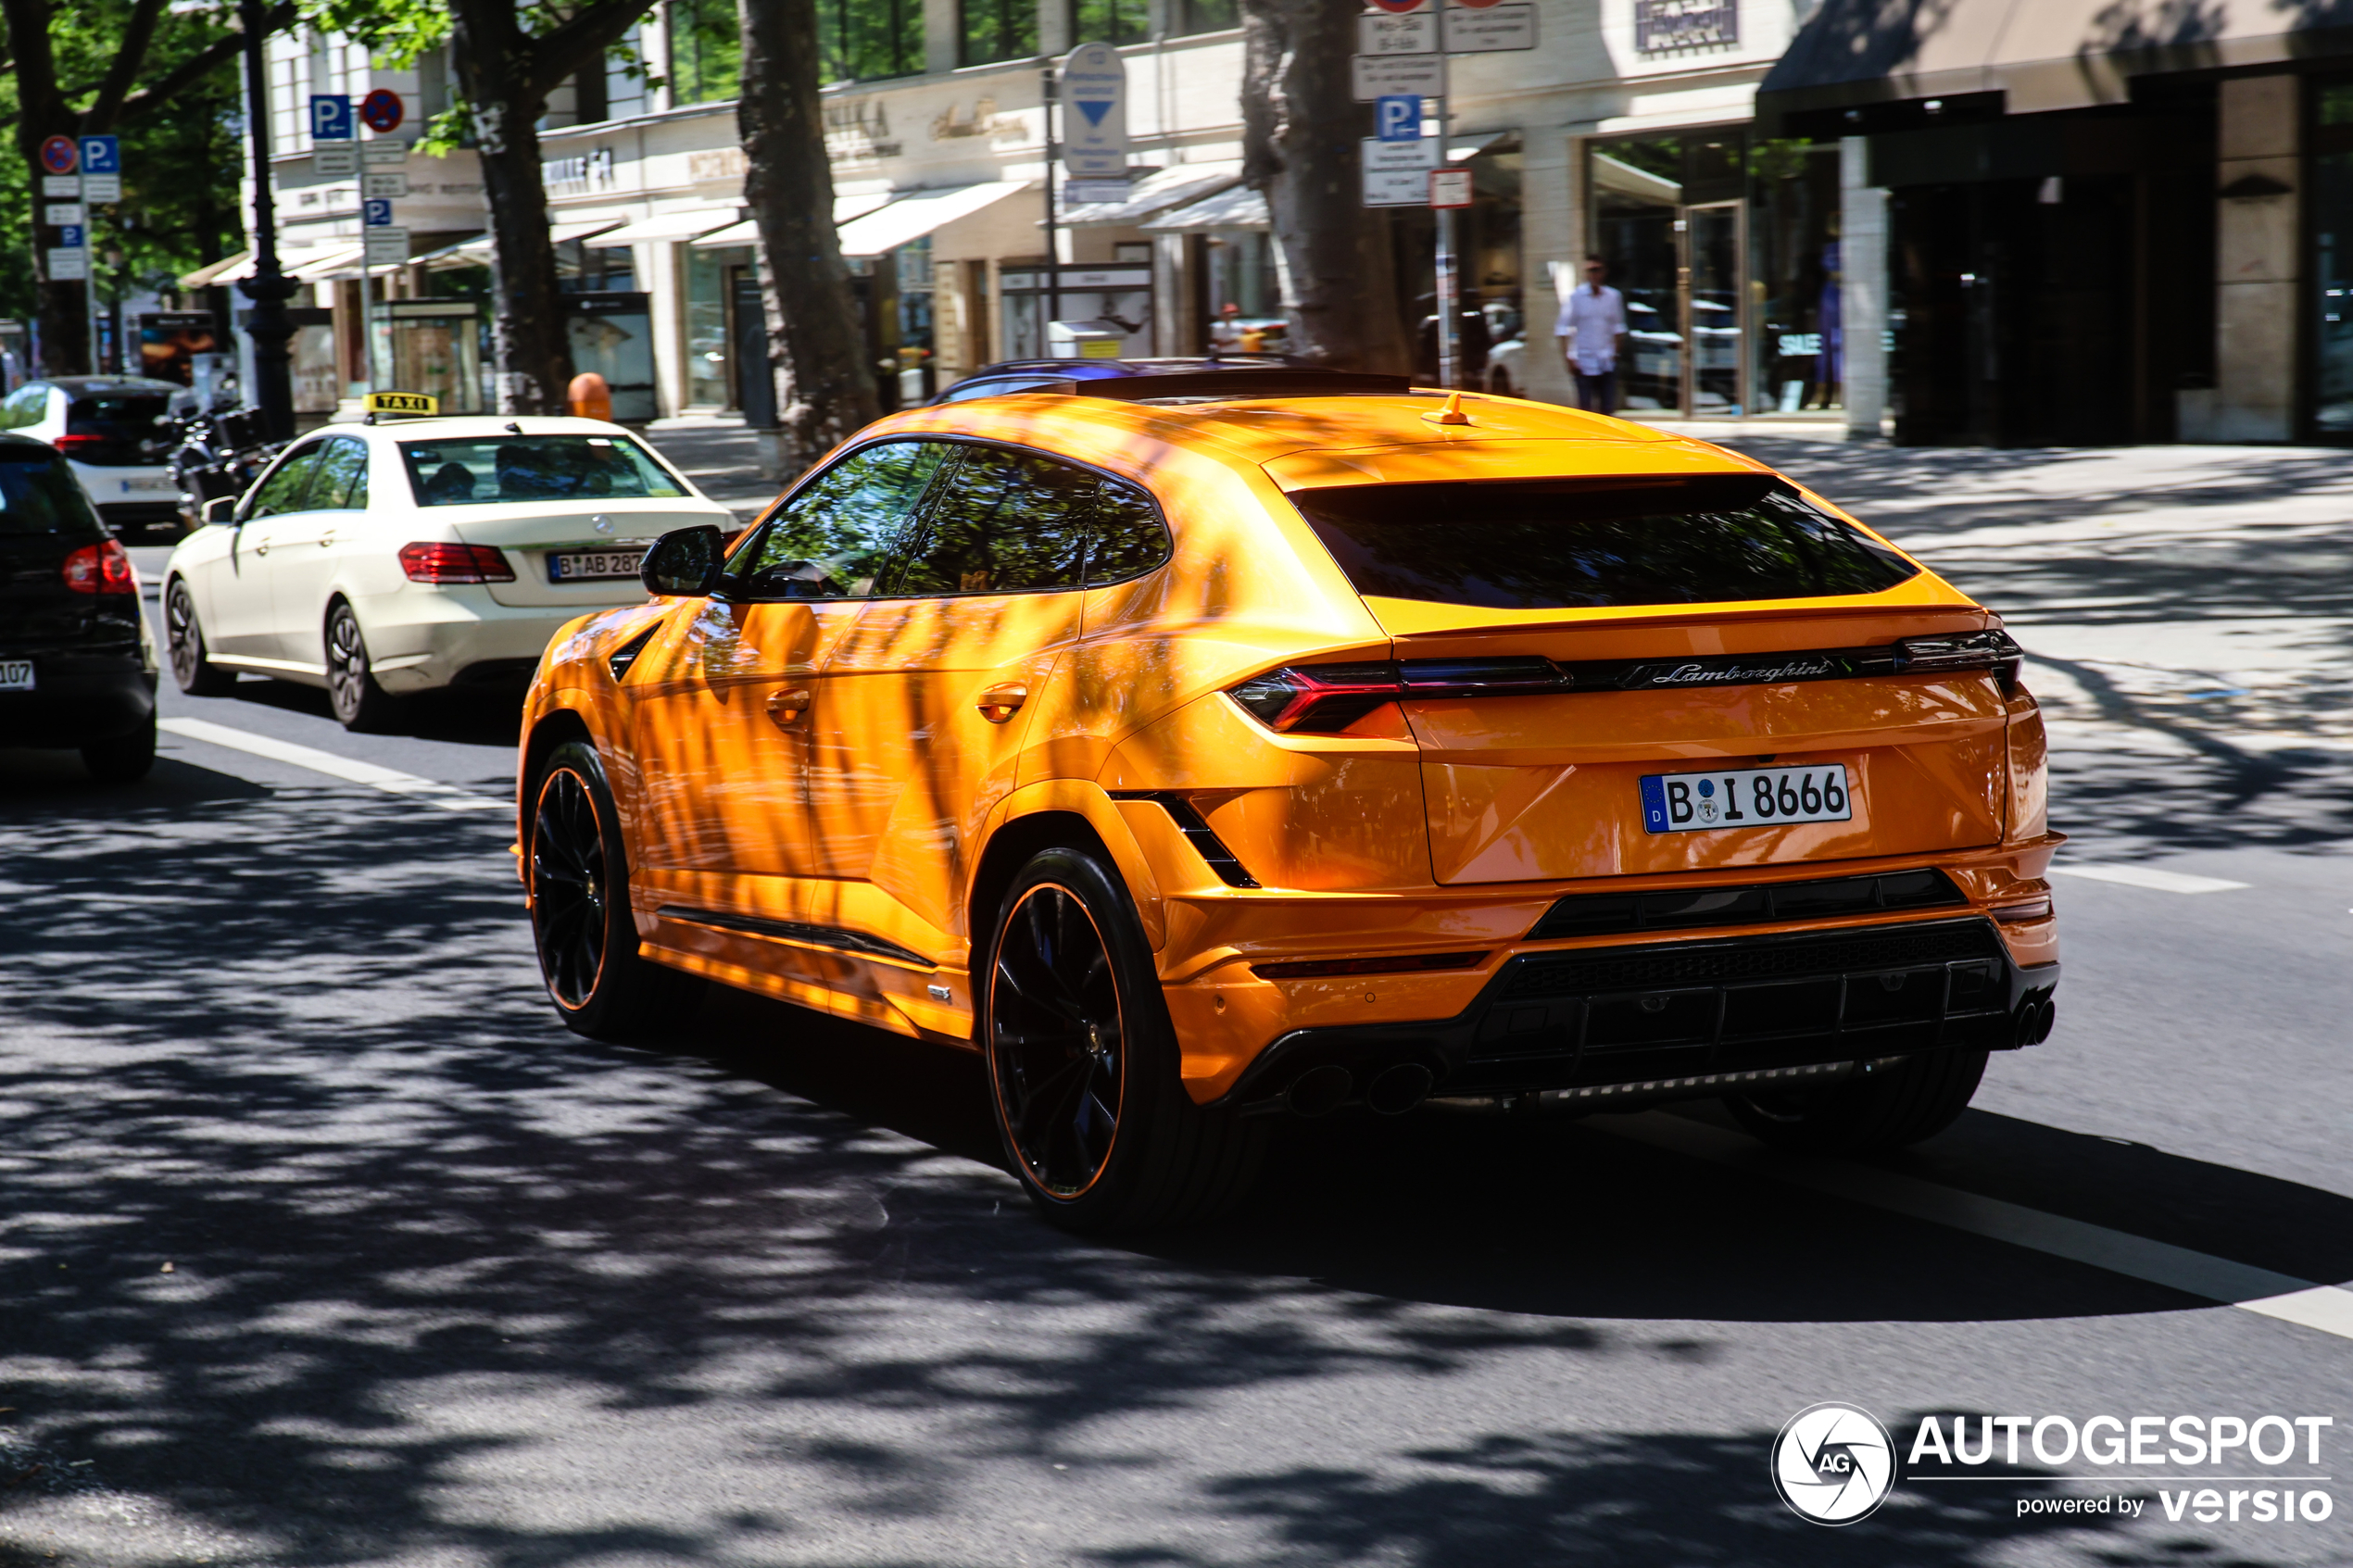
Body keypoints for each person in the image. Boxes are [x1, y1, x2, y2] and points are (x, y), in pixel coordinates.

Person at [1556, 256, 1628, 415]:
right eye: (1590, 270)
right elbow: (1562, 330)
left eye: (1597, 270)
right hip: (1583, 360)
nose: (1594, 275)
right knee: (1586, 410)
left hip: (1606, 360)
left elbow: (1618, 327)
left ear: (1604, 272)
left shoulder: (1613, 297)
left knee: (1607, 410)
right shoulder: (1575, 298)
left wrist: (1616, 353)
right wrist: (1568, 359)